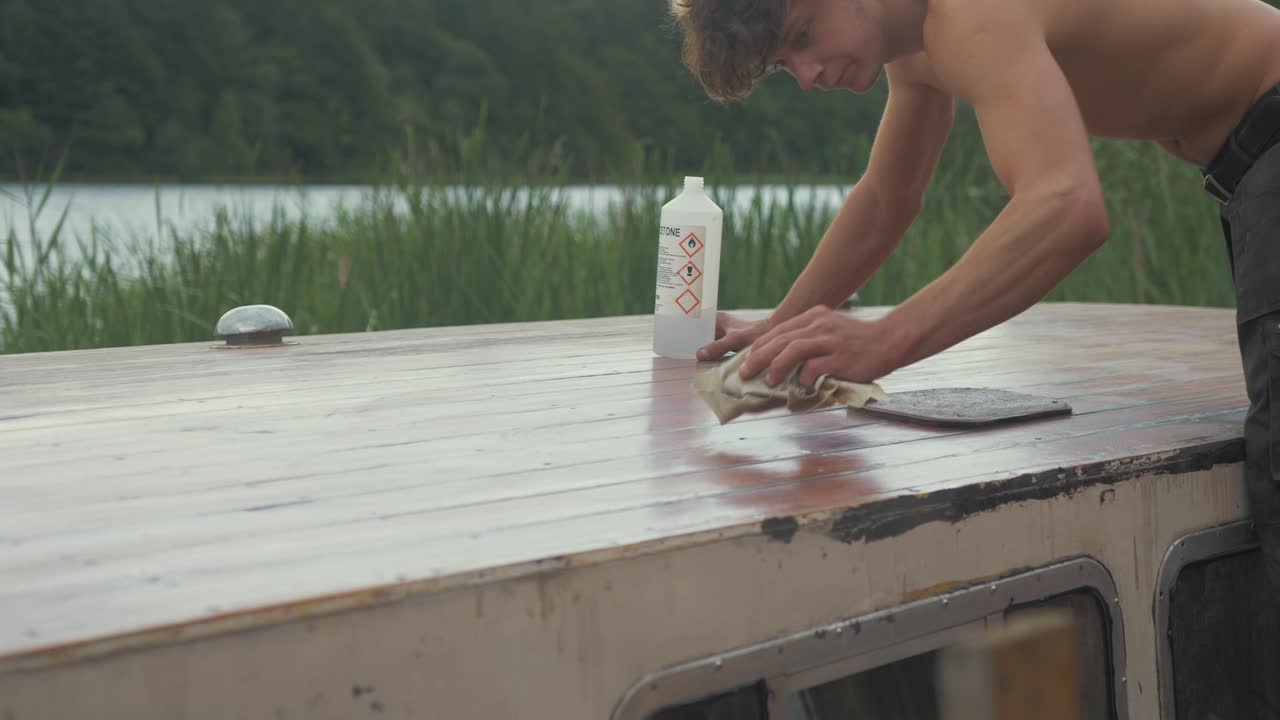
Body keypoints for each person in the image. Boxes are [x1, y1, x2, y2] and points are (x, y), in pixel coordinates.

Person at [671, 0, 1280, 591]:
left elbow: (1067, 207)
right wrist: (782, 325)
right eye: (785, 64)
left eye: (803, 36)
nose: (807, 77)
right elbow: (888, 196)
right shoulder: (916, 43)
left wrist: (883, 340)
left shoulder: (972, 13)